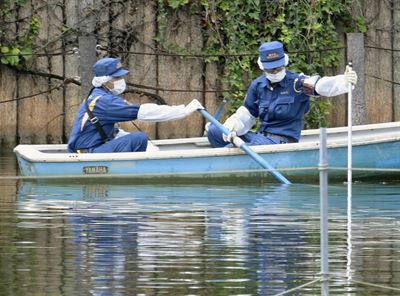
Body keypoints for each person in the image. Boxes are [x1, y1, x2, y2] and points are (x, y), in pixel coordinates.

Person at [206, 41, 358, 147]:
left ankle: (226, 161)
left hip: (281, 142)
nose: (275, 72)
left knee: (233, 149)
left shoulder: (298, 83)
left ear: (284, 63)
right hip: (259, 137)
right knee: (214, 131)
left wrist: (343, 81)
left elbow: (321, 85)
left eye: (278, 68)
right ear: (262, 67)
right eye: (271, 69)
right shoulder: (257, 85)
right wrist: (232, 126)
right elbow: (247, 114)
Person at [68, 57, 203, 153]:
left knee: (135, 138)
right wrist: (183, 111)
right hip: (88, 153)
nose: (122, 80)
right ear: (105, 80)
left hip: (87, 149)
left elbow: (112, 131)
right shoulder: (106, 102)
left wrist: (150, 149)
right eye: (117, 77)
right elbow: (145, 112)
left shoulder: (99, 95)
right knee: (139, 138)